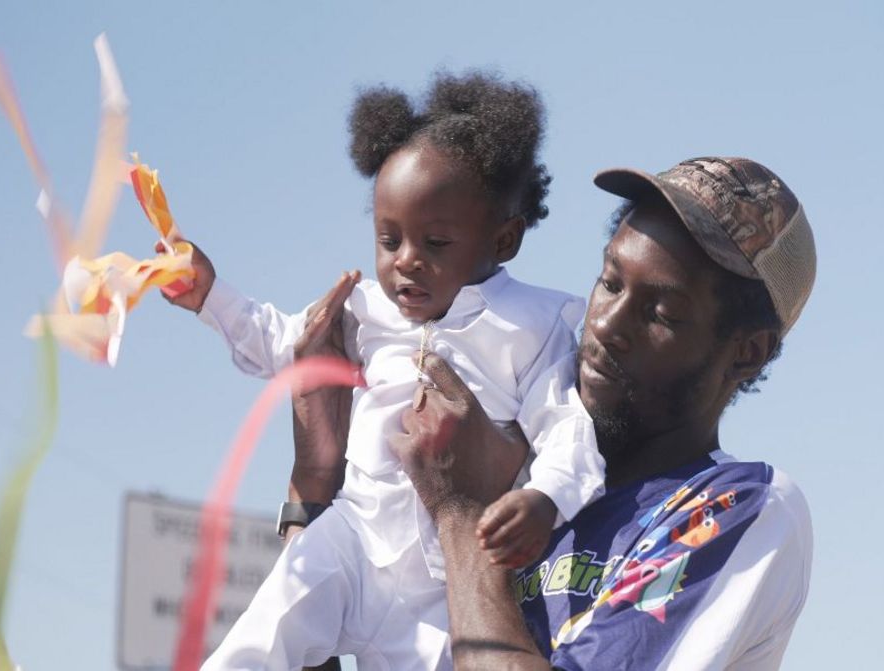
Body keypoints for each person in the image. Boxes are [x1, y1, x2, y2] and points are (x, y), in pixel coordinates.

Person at [299, 156, 817, 669]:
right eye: (611, 282)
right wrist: (315, 482)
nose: (607, 325)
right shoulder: (503, 460)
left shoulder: (736, 509)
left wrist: (461, 516)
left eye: (661, 314)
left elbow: (461, 516)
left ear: (746, 352)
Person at [163, 72, 607, 670]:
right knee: (263, 635)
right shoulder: (364, 308)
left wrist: (545, 498)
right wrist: (210, 295)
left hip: (443, 584)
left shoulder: (532, 324)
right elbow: (283, 343)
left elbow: (564, 425)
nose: (406, 263)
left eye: (435, 242)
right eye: (389, 239)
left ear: (503, 240)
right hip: (352, 540)